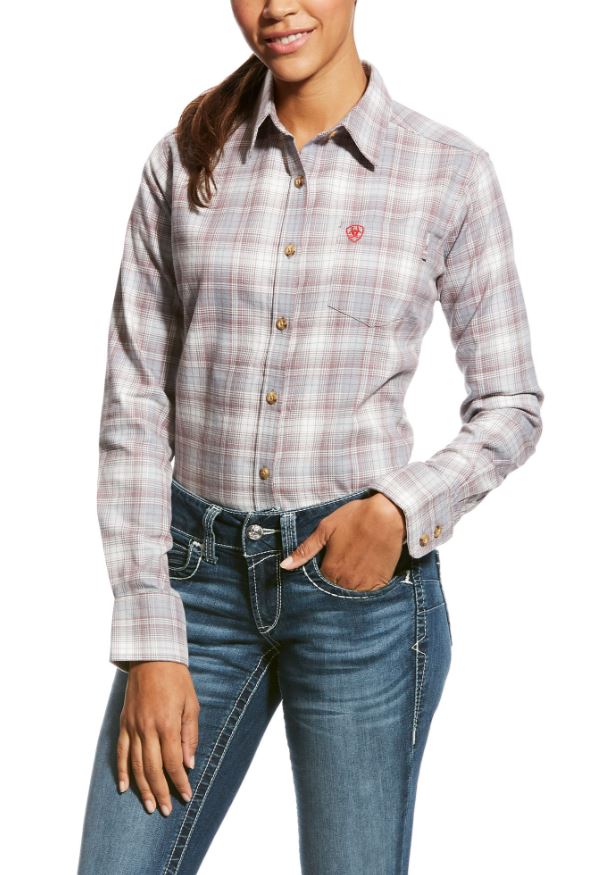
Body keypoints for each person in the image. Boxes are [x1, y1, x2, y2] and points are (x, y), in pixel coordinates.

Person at [77, 1, 544, 872]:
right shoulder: (184, 161)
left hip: (359, 601)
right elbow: (134, 404)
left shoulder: (447, 172)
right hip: (195, 588)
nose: (276, 7)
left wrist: (400, 509)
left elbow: (511, 402)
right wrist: (149, 636)